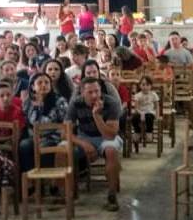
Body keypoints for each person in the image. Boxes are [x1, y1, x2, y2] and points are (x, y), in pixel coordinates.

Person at [67, 77, 122, 211]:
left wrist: (96, 116)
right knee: (64, 149)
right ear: (82, 92)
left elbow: (110, 135)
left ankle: (112, 194)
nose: (95, 95)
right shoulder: (75, 103)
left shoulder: (111, 103)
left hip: (105, 136)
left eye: (97, 91)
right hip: (84, 136)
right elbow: (66, 132)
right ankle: (67, 194)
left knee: (111, 150)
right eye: (90, 92)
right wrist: (83, 144)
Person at [20, 72, 69, 172]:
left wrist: (41, 106)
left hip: (53, 137)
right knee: (24, 145)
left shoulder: (59, 101)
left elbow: (66, 121)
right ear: (33, 87)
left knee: (45, 147)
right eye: (40, 83)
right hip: (34, 137)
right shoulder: (28, 102)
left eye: (47, 82)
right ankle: (32, 182)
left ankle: (51, 183)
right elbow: (28, 122)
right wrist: (38, 106)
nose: (43, 85)